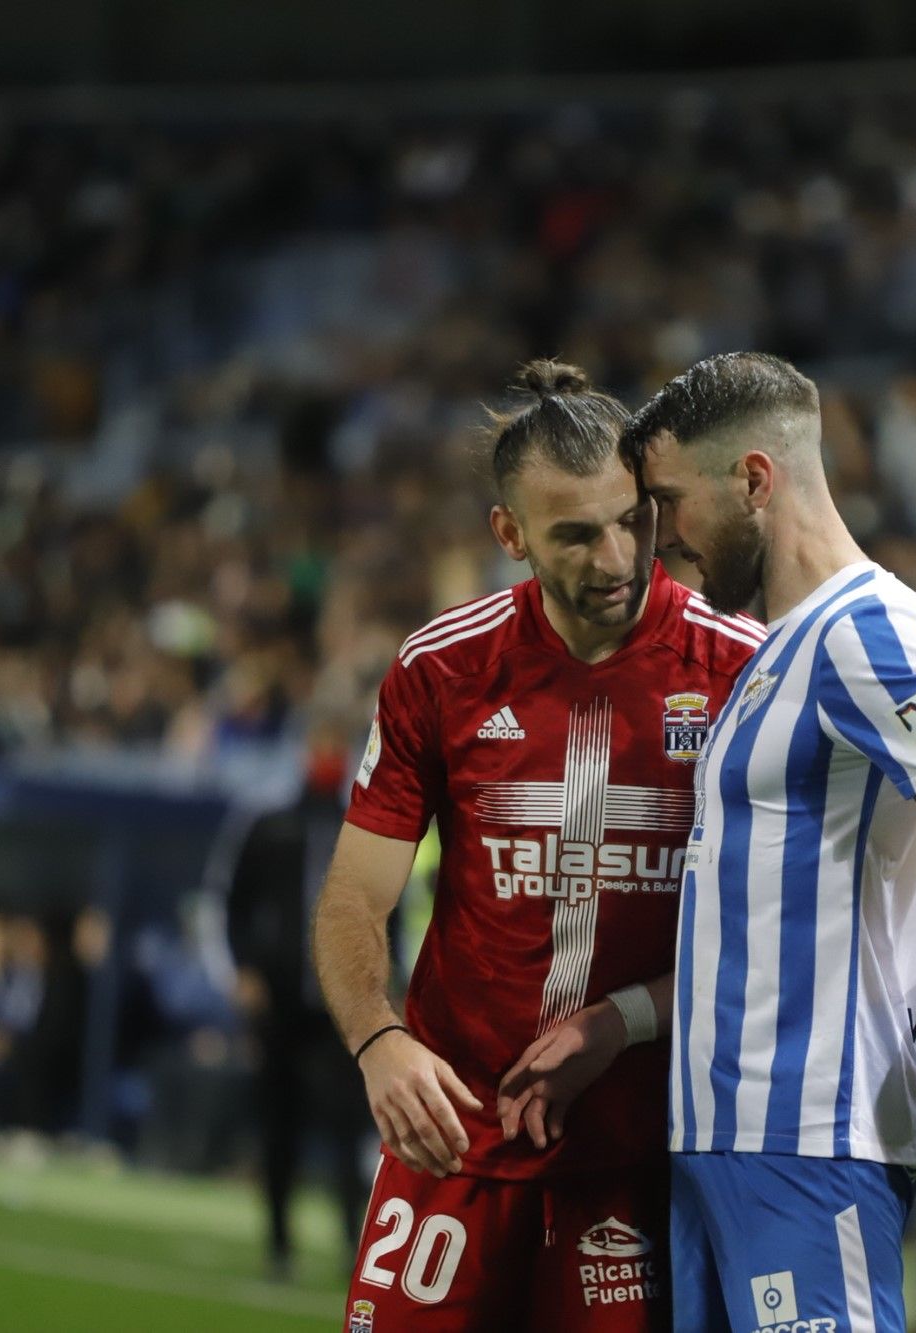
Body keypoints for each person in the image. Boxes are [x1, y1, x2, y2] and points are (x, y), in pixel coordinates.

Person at [619, 351, 916, 1333]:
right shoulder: (776, 651)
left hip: (808, 1145)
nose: (662, 538)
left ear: (754, 479)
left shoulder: (866, 630)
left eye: (669, 500)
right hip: (722, 1147)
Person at [314, 360, 762, 1331]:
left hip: (638, 1158)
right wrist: (377, 1040)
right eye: (572, 533)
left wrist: (625, 1021)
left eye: (628, 520)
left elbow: (777, 940)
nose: (612, 557)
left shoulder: (741, 670)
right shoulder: (442, 668)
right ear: (508, 534)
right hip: (454, 1141)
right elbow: (353, 897)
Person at [220, 741, 370, 1280]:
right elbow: (234, 903)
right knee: (277, 1123)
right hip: (281, 1001)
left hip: (339, 1003)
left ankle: (357, 1243)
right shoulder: (272, 826)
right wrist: (244, 969)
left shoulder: (361, 827)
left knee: (347, 1124)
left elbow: (382, 908)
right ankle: (279, 1241)